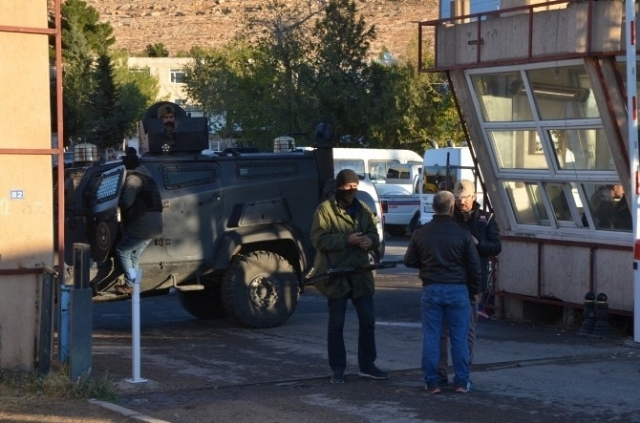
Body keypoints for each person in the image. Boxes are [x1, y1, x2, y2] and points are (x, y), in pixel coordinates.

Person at [309, 169, 387, 384]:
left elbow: (375, 233)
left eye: (355, 186)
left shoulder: (362, 208)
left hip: (361, 274)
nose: (352, 190)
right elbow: (318, 240)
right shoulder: (324, 211)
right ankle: (337, 368)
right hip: (336, 274)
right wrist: (347, 239)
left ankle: (367, 364)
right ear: (339, 188)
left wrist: (369, 241)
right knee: (337, 324)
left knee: (368, 320)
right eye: (348, 187)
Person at [404, 190, 482, 394]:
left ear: (433, 207)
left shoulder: (421, 232)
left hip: (431, 288)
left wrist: (427, 263)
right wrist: (474, 291)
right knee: (459, 338)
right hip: (457, 289)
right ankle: (461, 382)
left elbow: (409, 260)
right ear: (451, 207)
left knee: (432, 337)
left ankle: (433, 382)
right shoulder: (462, 232)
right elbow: (474, 267)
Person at [437, 179, 501, 386]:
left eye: (464, 198)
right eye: (457, 198)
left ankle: (463, 375)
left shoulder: (486, 218)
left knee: (468, 331)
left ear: (474, 197)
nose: (461, 202)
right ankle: (440, 374)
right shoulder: (448, 218)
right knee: (444, 331)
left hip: (474, 282)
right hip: (451, 279)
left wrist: (477, 243)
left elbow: (495, 247)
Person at [114, 147, 163, 294]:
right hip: (155, 224)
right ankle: (135, 284)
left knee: (122, 250)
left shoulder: (134, 179)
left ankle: (130, 285)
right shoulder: (147, 177)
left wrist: (115, 204)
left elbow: (126, 202)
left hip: (143, 223)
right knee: (134, 255)